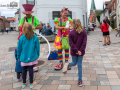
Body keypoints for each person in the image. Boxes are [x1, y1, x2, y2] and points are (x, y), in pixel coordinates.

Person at [62, 19, 87, 87]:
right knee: (79, 65)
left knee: (74, 62)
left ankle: (68, 65)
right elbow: (84, 43)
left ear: (73, 24)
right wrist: (80, 51)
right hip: (81, 52)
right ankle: (80, 81)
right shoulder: (84, 32)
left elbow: (71, 43)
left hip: (74, 51)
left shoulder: (71, 33)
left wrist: (77, 50)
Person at [17, 22, 40, 89]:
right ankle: (31, 83)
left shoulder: (21, 38)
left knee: (24, 69)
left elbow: (19, 48)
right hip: (32, 56)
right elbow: (37, 47)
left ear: (23, 29)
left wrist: (18, 56)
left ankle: (24, 83)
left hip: (24, 57)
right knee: (30, 69)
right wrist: (37, 54)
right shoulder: (34, 37)